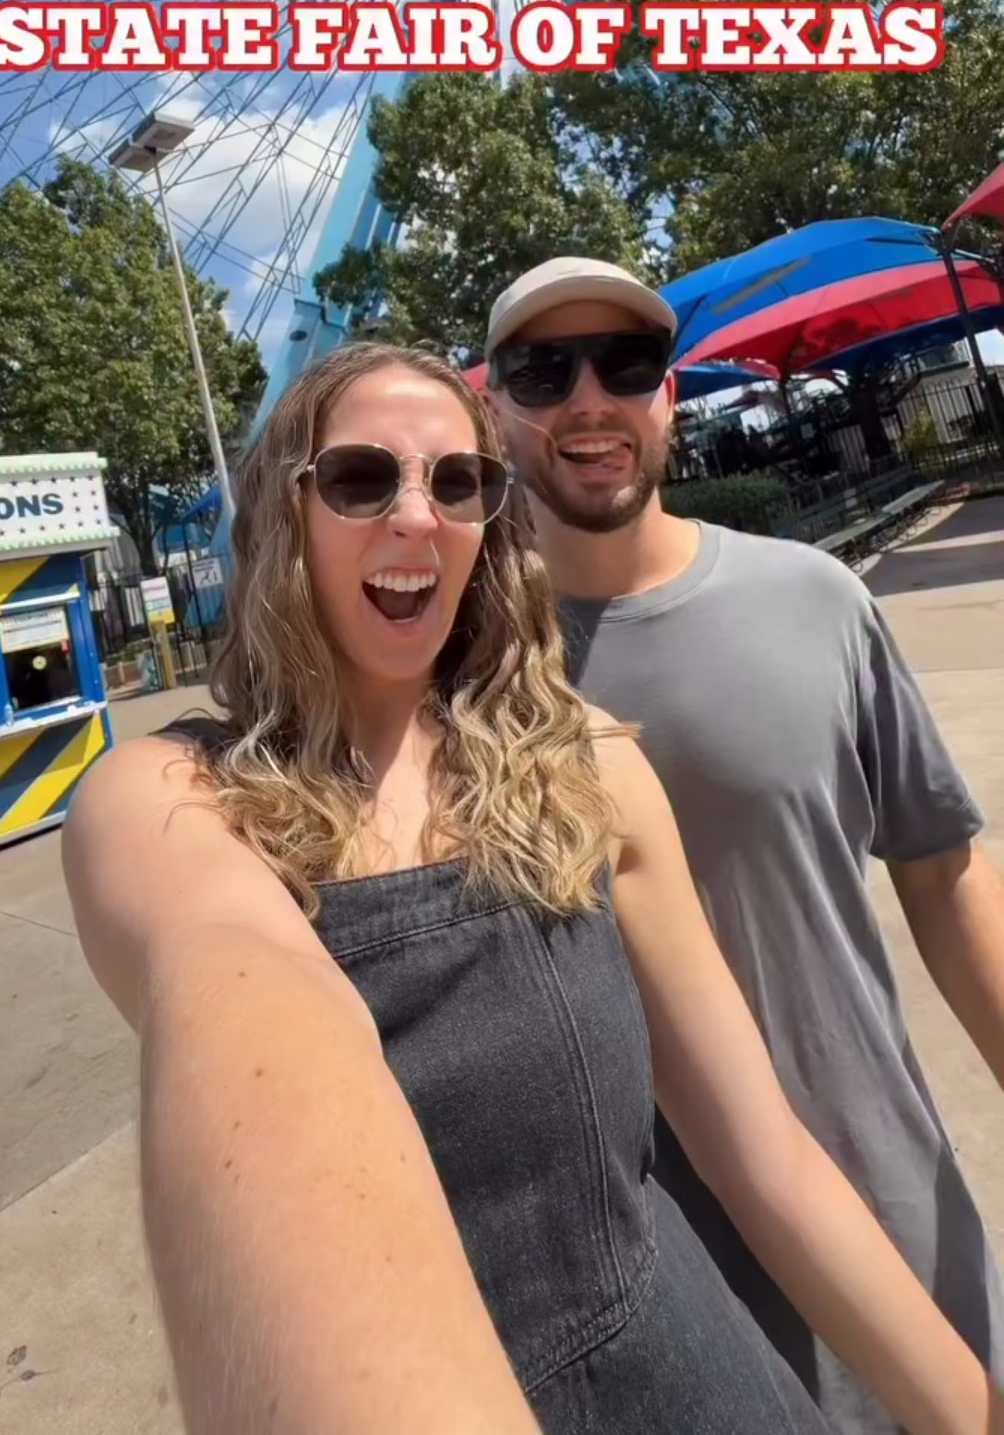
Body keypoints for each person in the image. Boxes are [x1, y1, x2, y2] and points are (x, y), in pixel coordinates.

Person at [62, 342, 1004, 1435]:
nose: (417, 515)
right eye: (365, 478)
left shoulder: (589, 769)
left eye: (458, 482)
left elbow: (768, 1160)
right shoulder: (170, 800)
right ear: (289, 512)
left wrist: (972, 1409)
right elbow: (242, 997)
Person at [484, 254, 1004, 1435]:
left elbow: (948, 875)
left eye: (626, 363)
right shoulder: (458, 684)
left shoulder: (816, 600)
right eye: (541, 368)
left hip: (889, 1206)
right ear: (496, 406)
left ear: (668, 396)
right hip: (646, 1289)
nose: (587, 400)